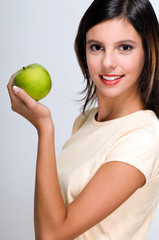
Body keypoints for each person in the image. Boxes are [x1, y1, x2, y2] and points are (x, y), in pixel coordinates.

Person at [7, 0, 159, 239]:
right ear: (83, 50)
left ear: (148, 52)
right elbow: (54, 212)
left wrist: (44, 128)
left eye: (125, 48)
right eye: (97, 47)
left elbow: (51, 234)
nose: (108, 62)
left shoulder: (144, 138)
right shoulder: (87, 120)